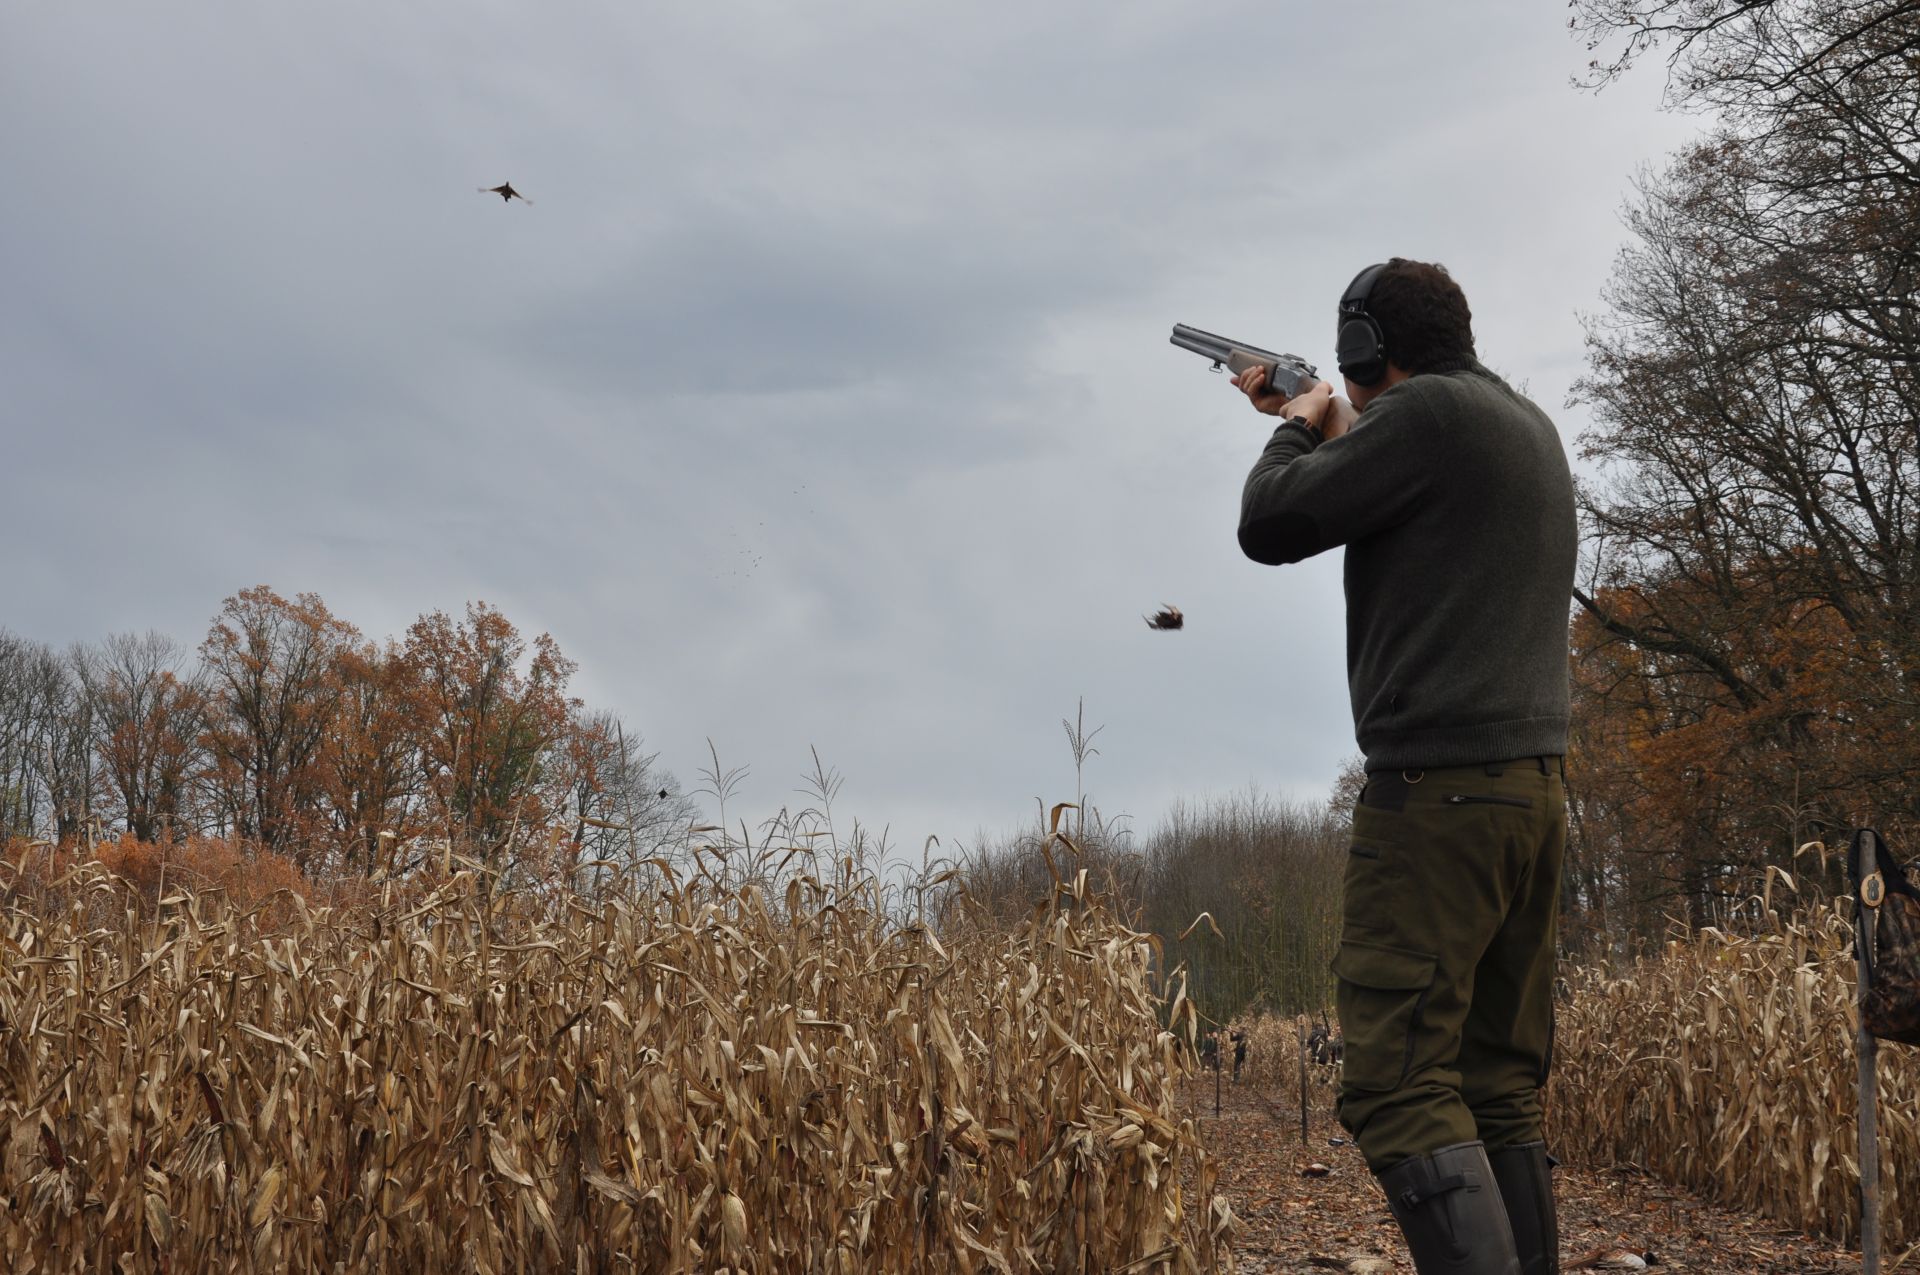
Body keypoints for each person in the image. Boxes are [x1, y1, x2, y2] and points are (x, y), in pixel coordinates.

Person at [1233, 259, 1575, 1275]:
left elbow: (1270, 522)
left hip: (1439, 797)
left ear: (1365, 349)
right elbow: (1396, 485)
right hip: (1531, 796)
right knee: (1494, 1084)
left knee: (1395, 1083)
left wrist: (1297, 424)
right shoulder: (1519, 423)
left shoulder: (1423, 420)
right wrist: (1332, 423)